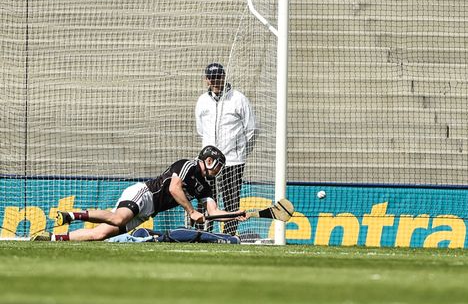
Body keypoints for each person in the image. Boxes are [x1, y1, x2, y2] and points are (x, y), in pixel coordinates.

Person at [31, 146, 288, 242]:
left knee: (101, 234)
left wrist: (234, 214)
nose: (219, 170)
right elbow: (175, 188)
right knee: (118, 219)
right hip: (144, 194)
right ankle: (71, 215)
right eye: (218, 165)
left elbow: (211, 213)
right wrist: (191, 211)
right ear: (208, 160)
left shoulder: (207, 187)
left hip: (148, 211)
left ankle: (52, 238)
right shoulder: (188, 165)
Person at [195, 63, 258, 235]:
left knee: (231, 200)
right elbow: (201, 130)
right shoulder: (202, 101)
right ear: (206, 80)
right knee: (206, 198)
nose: (216, 81)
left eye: (219, 77)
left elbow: (251, 129)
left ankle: (229, 234)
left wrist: (241, 152)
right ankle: (204, 232)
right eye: (212, 78)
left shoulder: (238, 98)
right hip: (207, 163)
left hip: (233, 160)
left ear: (224, 77)